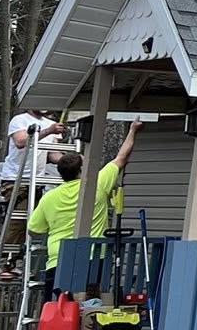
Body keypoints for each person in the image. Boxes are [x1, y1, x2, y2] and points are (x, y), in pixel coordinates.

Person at [27, 121, 139, 296]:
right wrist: (133, 130)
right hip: (93, 259)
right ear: (81, 170)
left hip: (59, 261)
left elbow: (34, 230)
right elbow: (121, 158)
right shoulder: (97, 185)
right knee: (90, 308)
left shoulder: (49, 198)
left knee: (59, 311)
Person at [1, 109, 61, 186]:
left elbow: (54, 155)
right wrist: (48, 131)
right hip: (15, 178)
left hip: (37, 179)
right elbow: (20, 142)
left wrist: (75, 159)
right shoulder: (20, 119)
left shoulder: (52, 124)